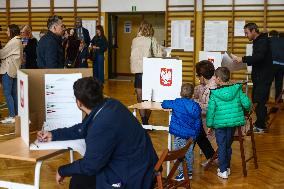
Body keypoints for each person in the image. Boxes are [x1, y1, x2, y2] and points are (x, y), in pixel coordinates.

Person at [37, 77, 158, 189]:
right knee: (81, 179)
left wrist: (62, 170)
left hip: (135, 177)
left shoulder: (101, 124)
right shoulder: (111, 105)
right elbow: (82, 128)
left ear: (79, 103)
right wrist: (53, 135)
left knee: (79, 182)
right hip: (145, 166)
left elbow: (90, 166)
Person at [206, 67, 251, 179]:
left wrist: (209, 125)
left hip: (220, 125)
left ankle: (223, 171)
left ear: (218, 79)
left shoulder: (214, 93)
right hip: (232, 123)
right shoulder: (237, 89)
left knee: (222, 146)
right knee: (227, 145)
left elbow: (211, 111)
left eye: (215, 77)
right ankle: (227, 167)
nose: (214, 79)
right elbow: (247, 103)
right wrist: (247, 110)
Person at [233, 22, 273, 133]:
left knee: (259, 100)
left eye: (247, 33)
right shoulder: (258, 41)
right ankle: (262, 121)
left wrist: (243, 59)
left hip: (263, 77)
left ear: (254, 31)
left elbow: (259, 57)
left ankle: (261, 126)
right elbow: (258, 58)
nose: (246, 36)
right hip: (260, 76)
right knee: (257, 99)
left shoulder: (262, 41)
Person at [161, 83, 202, 180]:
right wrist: (195, 134)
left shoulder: (176, 102)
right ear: (192, 95)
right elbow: (197, 122)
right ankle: (189, 172)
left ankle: (183, 173)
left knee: (179, 154)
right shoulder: (196, 106)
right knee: (188, 152)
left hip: (179, 135)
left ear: (180, 93)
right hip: (191, 135)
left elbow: (164, 104)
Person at [130, 21, 162, 125]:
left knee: (140, 99)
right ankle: (146, 121)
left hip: (138, 73)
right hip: (149, 71)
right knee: (151, 99)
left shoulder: (134, 40)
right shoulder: (152, 40)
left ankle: (143, 122)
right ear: (150, 29)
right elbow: (158, 55)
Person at [193, 60, 217, 167]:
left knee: (193, 131)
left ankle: (183, 158)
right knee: (196, 133)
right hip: (215, 118)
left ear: (202, 76)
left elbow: (207, 109)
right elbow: (200, 90)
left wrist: (194, 102)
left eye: (198, 76)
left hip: (213, 121)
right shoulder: (212, 82)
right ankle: (212, 156)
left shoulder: (211, 88)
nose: (198, 79)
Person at [0, 24, 23, 124]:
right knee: (13, 94)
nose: (6, 32)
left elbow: (2, 54)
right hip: (14, 70)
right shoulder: (18, 41)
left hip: (8, 70)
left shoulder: (13, 41)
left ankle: (12, 115)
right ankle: (16, 115)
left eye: (7, 30)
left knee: (7, 94)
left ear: (12, 31)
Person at [269, 30, 284, 103]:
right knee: (279, 83)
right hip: (282, 66)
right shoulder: (281, 41)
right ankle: (278, 100)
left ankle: (264, 99)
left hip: (272, 65)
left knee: (267, 82)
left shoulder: (269, 40)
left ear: (270, 35)